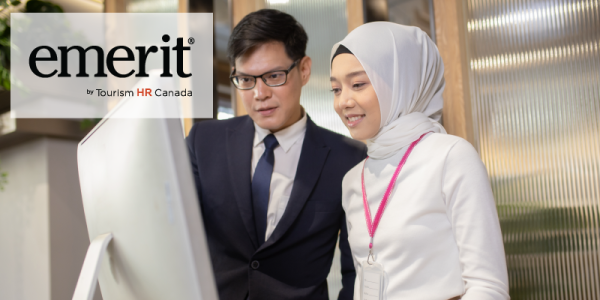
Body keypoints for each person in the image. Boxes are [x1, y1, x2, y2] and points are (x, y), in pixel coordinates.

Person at [186, 9, 366, 300]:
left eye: (273, 76)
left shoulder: (348, 158)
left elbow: (355, 270)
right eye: (245, 79)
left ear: (304, 70)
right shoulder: (204, 143)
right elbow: (174, 237)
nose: (259, 93)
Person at [329, 22, 510, 299]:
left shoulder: (450, 156)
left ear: (400, 81)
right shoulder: (353, 179)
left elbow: (488, 287)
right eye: (336, 89)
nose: (344, 101)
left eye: (357, 84)